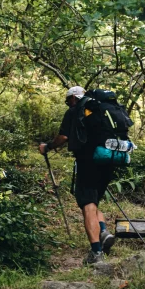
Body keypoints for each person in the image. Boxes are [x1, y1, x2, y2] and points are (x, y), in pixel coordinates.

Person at [39, 86, 115, 265]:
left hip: (88, 162)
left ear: (74, 97)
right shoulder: (101, 108)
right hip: (108, 160)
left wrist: (48, 146)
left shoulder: (75, 111)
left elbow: (63, 137)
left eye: (68, 100)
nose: (68, 104)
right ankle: (103, 232)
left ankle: (96, 254)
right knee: (94, 201)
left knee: (87, 205)